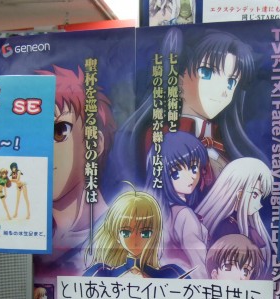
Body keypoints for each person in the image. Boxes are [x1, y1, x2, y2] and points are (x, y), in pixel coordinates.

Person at [107, 27, 264, 195]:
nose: (223, 90)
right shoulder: (160, 135)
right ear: (179, 79)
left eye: (231, 82)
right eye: (207, 73)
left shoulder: (222, 141)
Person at [36, 65, 117, 252]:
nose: (43, 148)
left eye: (59, 132)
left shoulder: (118, 232)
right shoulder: (31, 229)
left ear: (94, 144)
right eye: (34, 133)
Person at [84, 187, 188, 278]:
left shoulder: (172, 273)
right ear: (116, 234)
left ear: (155, 234)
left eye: (145, 233)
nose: (135, 240)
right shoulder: (99, 273)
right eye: (126, 233)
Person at [195, 157, 272, 278]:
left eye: (260, 196)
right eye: (255, 194)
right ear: (239, 194)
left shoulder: (239, 225)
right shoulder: (226, 228)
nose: (259, 204)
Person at [147, 131, 209, 278]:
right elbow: (199, 264)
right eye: (176, 173)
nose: (192, 176)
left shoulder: (154, 210)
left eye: (194, 168)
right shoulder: (184, 214)